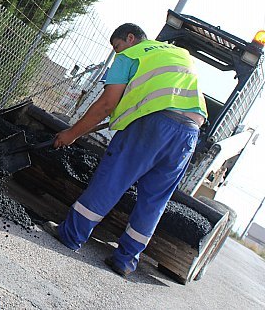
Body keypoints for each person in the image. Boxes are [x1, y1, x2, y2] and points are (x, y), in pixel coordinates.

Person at [44, 23, 207, 277]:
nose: (116, 52)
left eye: (117, 46)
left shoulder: (131, 54)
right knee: (154, 201)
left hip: (152, 125)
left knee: (112, 180)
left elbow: (107, 104)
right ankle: (126, 260)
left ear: (130, 38)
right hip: (189, 134)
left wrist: (71, 134)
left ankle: (71, 235)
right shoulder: (178, 53)